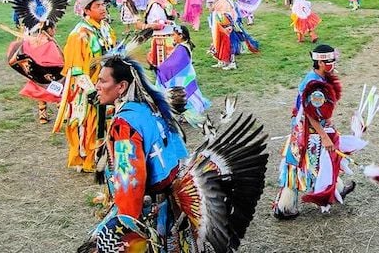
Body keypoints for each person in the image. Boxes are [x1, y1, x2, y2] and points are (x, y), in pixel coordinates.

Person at [79, 54, 267, 253]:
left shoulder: (124, 125)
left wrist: (125, 229)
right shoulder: (148, 107)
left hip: (147, 210)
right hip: (169, 202)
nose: (97, 85)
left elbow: (129, 183)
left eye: (103, 81)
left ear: (122, 87)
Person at [273, 44, 355, 219]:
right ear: (320, 62)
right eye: (330, 61)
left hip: (308, 129)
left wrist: (326, 122)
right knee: (302, 164)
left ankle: (336, 189)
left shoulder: (319, 78)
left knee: (317, 161)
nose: (333, 64)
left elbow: (316, 111)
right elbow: (310, 114)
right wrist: (324, 136)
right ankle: (285, 207)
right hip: (308, 132)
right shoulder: (314, 84)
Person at [53, 0, 116, 173]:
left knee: (107, 120)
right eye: (97, 6)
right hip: (86, 88)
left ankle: (105, 155)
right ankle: (87, 159)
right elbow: (76, 69)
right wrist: (91, 91)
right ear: (87, 11)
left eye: (103, 5)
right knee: (87, 123)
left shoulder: (105, 28)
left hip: (107, 84)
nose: (103, 8)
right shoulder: (79, 34)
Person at [7, 0, 68, 124]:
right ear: (49, 28)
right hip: (50, 76)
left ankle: (43, 115)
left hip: (36, 74)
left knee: (40, 88)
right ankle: (61, 112)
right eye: (54, 28)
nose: (55, 31)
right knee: (57, 87)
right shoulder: (49, 43)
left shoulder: (30, 41)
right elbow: (58, 62)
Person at [136, 0, 177, 71]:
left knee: (163, 69)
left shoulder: (156, 3)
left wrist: (142, 26)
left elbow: (160, 25)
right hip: (168, 37)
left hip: (162, 40)